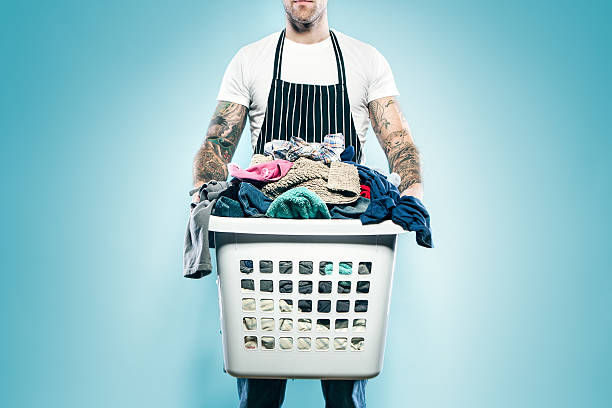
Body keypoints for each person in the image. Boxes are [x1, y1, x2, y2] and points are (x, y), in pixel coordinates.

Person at [191, 1, 423, 406]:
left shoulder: (366, 61)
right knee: (260, 382)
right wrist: (204, 191)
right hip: (265, 243)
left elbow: (399, 142)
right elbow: (216, 144)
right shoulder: (250, 60)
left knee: (345, 386)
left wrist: (413, 191)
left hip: (343, 245)